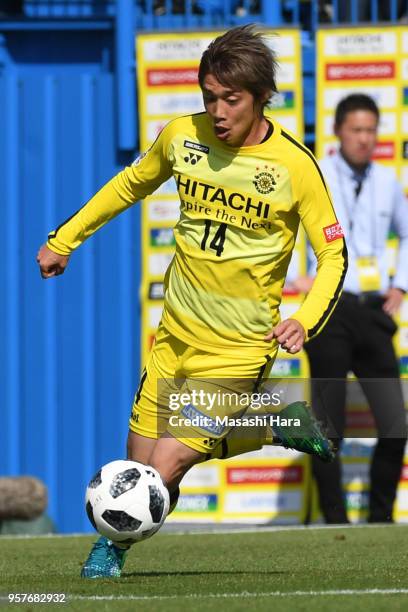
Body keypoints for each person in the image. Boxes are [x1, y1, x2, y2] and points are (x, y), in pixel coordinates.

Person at [37, 25, 347, 578]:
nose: (219, 110)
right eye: (210, 96)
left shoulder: (295, 167)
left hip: (237, 351)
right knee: (135, 467)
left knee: (164, 467)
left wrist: (304, 319)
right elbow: (129, 185)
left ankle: (111, 550)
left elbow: (334, 257)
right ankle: (270, 425)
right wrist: (64, 240)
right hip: (173, 339)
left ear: (260, 98)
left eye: (232, 99)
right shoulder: (183, 136)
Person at [292, 94, 408, 524]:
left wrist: (400, 285)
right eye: (357, 130)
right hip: (329, 310)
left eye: (371, 130)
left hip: (373, 310)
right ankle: (334, 520)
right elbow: (285, 229)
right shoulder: (317, 175)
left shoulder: (387, 180)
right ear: (339, 131)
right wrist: (294, 280)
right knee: (326, 426)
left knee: (395, 423)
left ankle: (380, 520)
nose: (365, 139)